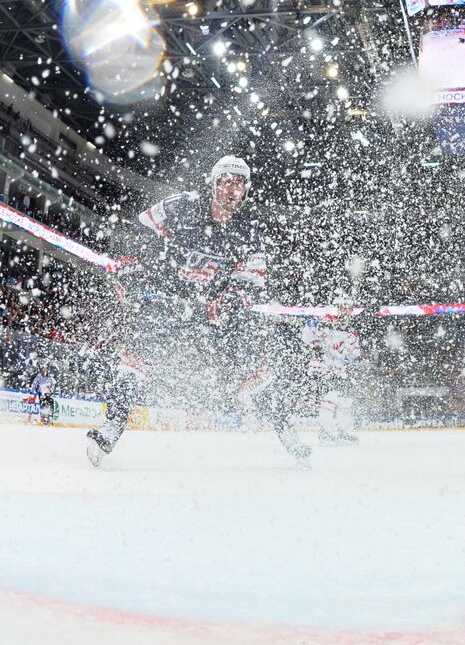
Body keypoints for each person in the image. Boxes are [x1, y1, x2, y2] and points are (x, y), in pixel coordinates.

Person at [84, 156, 310, 467]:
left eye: (240, 183)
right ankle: (111, 428)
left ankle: (289, 435)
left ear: (246, 190)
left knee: (254, 366)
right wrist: (129, 267)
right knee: (137, 355)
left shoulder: (249, 233)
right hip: (166, 300)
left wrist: (230, 301)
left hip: (209, 311)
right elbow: (139, 229)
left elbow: (252, 281)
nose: (232, 188)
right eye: (226, 180)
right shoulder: (182, 206)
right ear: (214, 183)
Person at [300, 296, 363, 446]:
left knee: (345, 401)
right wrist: (317, 346)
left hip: (339, 369)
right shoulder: (323, 320)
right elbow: (307, 336)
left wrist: (353, 356)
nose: (346, 310)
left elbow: (354, 351)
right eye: (343, 307)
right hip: (323, 367)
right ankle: (324, 433)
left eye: (349, 307)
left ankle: (342, 432)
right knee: (331, 398)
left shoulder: (352, 328)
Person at [32, 361, 57, 426]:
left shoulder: (50, 377)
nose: (45, 369)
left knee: (51, 402)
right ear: (41, 369)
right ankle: (44, 418)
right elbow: (34, 384)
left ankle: (50, 417)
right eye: (43, 368)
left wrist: (51, 391)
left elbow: (53, 385)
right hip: (41, 393)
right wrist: (34, 390)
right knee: (43, 403)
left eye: (46, 368)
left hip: (47, 393)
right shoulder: (39, 376)